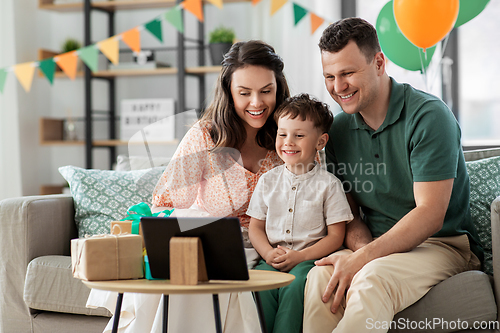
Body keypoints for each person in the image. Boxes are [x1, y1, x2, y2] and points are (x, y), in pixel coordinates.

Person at [87, 40, 290, 333]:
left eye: (266, 91)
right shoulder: (206, 136)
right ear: (229, 92)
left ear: (278, 89)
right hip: (209, 242)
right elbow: (164, 202)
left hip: (264, 248)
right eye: (244, 93)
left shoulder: (290, 138)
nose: (256, 103)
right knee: (190, 278)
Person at [302, 18, 483, 333]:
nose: (338, 86)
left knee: (373, 280)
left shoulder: (429, 117)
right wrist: (363, 252)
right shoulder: (338, 130)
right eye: (329, 76)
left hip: (441, 244)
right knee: (321, 278)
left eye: (347, 73)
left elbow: (430, 215)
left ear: (379, 63)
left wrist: (365, 261)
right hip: (376, 244)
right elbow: (348, 214)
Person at [247, 93, 353, 333]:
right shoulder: (267, 181)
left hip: (308, 261)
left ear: (320, 142)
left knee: (295, 288)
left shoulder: (329, 185)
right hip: (271, 259)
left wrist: (300, 257)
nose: (288, 142)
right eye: (282, 134)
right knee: (257, 286)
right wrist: (267, 252)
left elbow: (336, 236)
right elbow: (255, 226)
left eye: (299, 135)